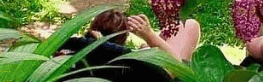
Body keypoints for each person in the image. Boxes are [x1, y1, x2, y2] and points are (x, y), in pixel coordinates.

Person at [58, 10, 201, 80]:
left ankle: (146, 48)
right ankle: (147, 47)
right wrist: (149, 35)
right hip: (161, 75)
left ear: (92, 31)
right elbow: (174, 67)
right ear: (124, 37)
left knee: (146, 48)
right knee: (189, 25)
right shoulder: (133, 65)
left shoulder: (66, 57)